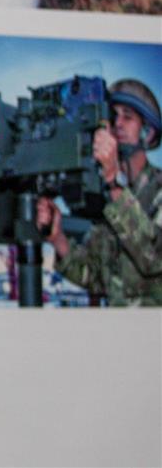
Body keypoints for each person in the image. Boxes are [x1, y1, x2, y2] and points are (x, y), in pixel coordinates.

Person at [37, 79, 162, 306]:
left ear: (149, 133)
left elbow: (154, 259)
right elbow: (95, 277)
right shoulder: (106, 197)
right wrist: (58, 239)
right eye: (113, 115)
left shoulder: (156, 191)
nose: (118, 124)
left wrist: (113, 181)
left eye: (128, 116)